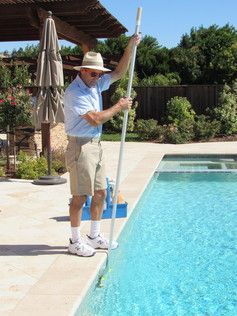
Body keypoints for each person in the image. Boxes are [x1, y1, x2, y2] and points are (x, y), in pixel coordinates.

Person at [64, 35, 140, 257]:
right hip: (81, 147)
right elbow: (95, 119)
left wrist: (130, 47)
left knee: (100, 194)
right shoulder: (75, 92)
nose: (99, 77)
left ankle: (94, 236)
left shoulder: (95, 84)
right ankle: (74, 241)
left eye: (100, 74)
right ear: (83, 71)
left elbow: (119, 73)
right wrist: (119, 106)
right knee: (79, 197)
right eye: (94, 73)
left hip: (96, 145)